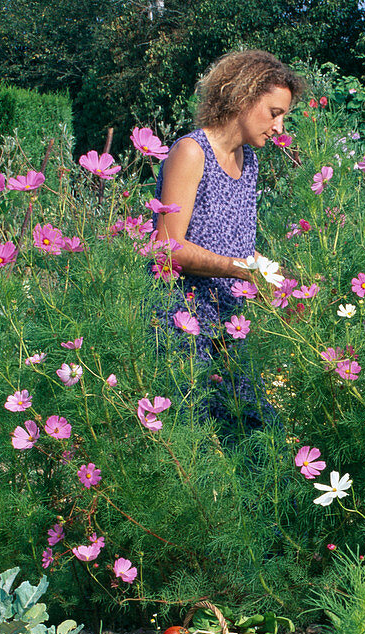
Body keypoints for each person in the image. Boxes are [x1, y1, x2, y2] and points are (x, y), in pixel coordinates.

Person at [152, 50, 305, 432]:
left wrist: (266, 270)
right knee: (192, 437)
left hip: (228, 322)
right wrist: (243, 269)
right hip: (183, 322)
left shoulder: (248, 160)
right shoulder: (191, 151)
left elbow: (234, 240)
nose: (280, 125)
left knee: (256, 431)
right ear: (242, 96)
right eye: (274, 112)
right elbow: (167, 248)